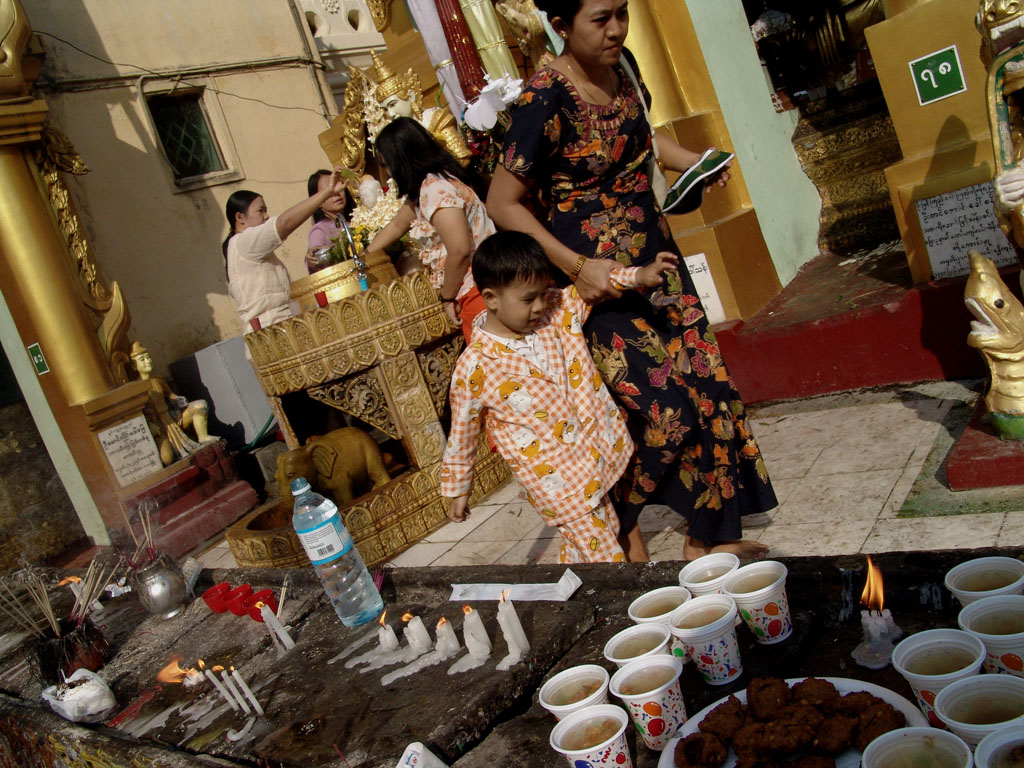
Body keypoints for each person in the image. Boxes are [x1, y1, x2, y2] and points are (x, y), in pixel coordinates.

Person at [486, 0, 776, 562]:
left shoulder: (625, 69)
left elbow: (643, 139)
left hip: (657, 261)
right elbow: (503, 203)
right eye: (601, 18)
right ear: (562, 25)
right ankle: (615, 516)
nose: (617, 28)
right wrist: (575, 267)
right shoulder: (541, 100)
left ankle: (708, 537)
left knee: (709, 389)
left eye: (622, 12)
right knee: (667, 409)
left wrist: (693, 159)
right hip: (596, 283)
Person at [440, 231, 677, 564]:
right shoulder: (474, 367)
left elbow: (596, 286)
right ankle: (634, 608)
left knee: (601, 534)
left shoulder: (557, 311)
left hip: (596, 456)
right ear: (491, 298)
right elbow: (462, 433)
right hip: (556, 483)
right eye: (527, 299)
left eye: (542, 293)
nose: (539, 305)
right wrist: (457, 489)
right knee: (608, 558)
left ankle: (570, 592)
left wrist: (639, 274)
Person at [366, 117, 495, 339]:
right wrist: (365, 256)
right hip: (481, 286)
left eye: (388, 164)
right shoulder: (427, 187)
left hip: (480, 289)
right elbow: (398, 225)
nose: (388, 173)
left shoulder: (434, 189)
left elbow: (459, 250)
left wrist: (447, 295)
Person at [222, 168, 346, 332]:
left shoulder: (244, 247)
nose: (266, 216)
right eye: (261, 211)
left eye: (266, 210)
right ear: (240, 218)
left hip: (281, 329)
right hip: (271, 333)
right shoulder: (242, 242)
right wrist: (326, 193)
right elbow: (283, 224)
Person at [304, 169, 356, 273]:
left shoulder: (358, 218)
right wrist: (312, 262)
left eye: (337, 186)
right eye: (328, 191)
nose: (336, 193)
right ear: (317, 201)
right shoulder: (320, 231)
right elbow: (316, 264)